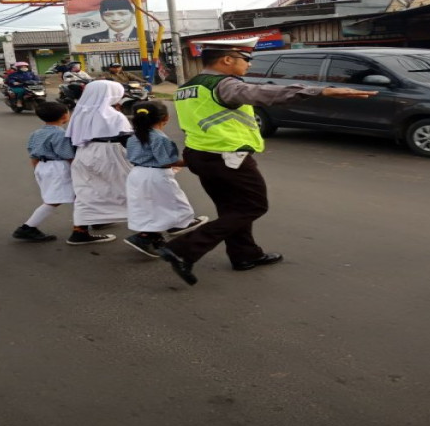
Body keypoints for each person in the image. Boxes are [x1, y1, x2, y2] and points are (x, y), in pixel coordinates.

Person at [158, 38, 379, 286]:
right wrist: (319, 90)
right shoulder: (224, 85)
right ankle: (183, 249)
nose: (249, 65)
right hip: (228, 157)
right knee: (253, 206)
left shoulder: (188, 86)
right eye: (246, 59)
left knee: (232, 210)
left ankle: (245, 255)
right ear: (227, 59)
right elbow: (259, 93)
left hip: (200, 154)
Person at [123, 100, 208, 257]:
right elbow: (167, 161)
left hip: (137, 174)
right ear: (166, 118)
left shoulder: (133, 137)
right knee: (174, 201)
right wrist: (193, 161)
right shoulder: (159, 138)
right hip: (154, 175)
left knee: (150, 206)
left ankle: (150, 236)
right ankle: (178, 225)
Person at [64, 80, 132, 244]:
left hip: (84, 153)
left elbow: (70, 137)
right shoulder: (113, 115)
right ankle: (150, 232)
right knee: (128, 187)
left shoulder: (79, 112)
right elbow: (127, 139)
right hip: (110, 153)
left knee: (87, 191)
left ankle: (80, 231)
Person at [12, 102, 77, 242]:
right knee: (54, 200)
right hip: (58, 167)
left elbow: (32, 154)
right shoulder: (61, 135)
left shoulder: (36, 133)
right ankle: (28, 227)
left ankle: (88, 221)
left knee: (72, 196)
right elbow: (68, 156)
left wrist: (37, 171)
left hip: (42, 166)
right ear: (65, 116)